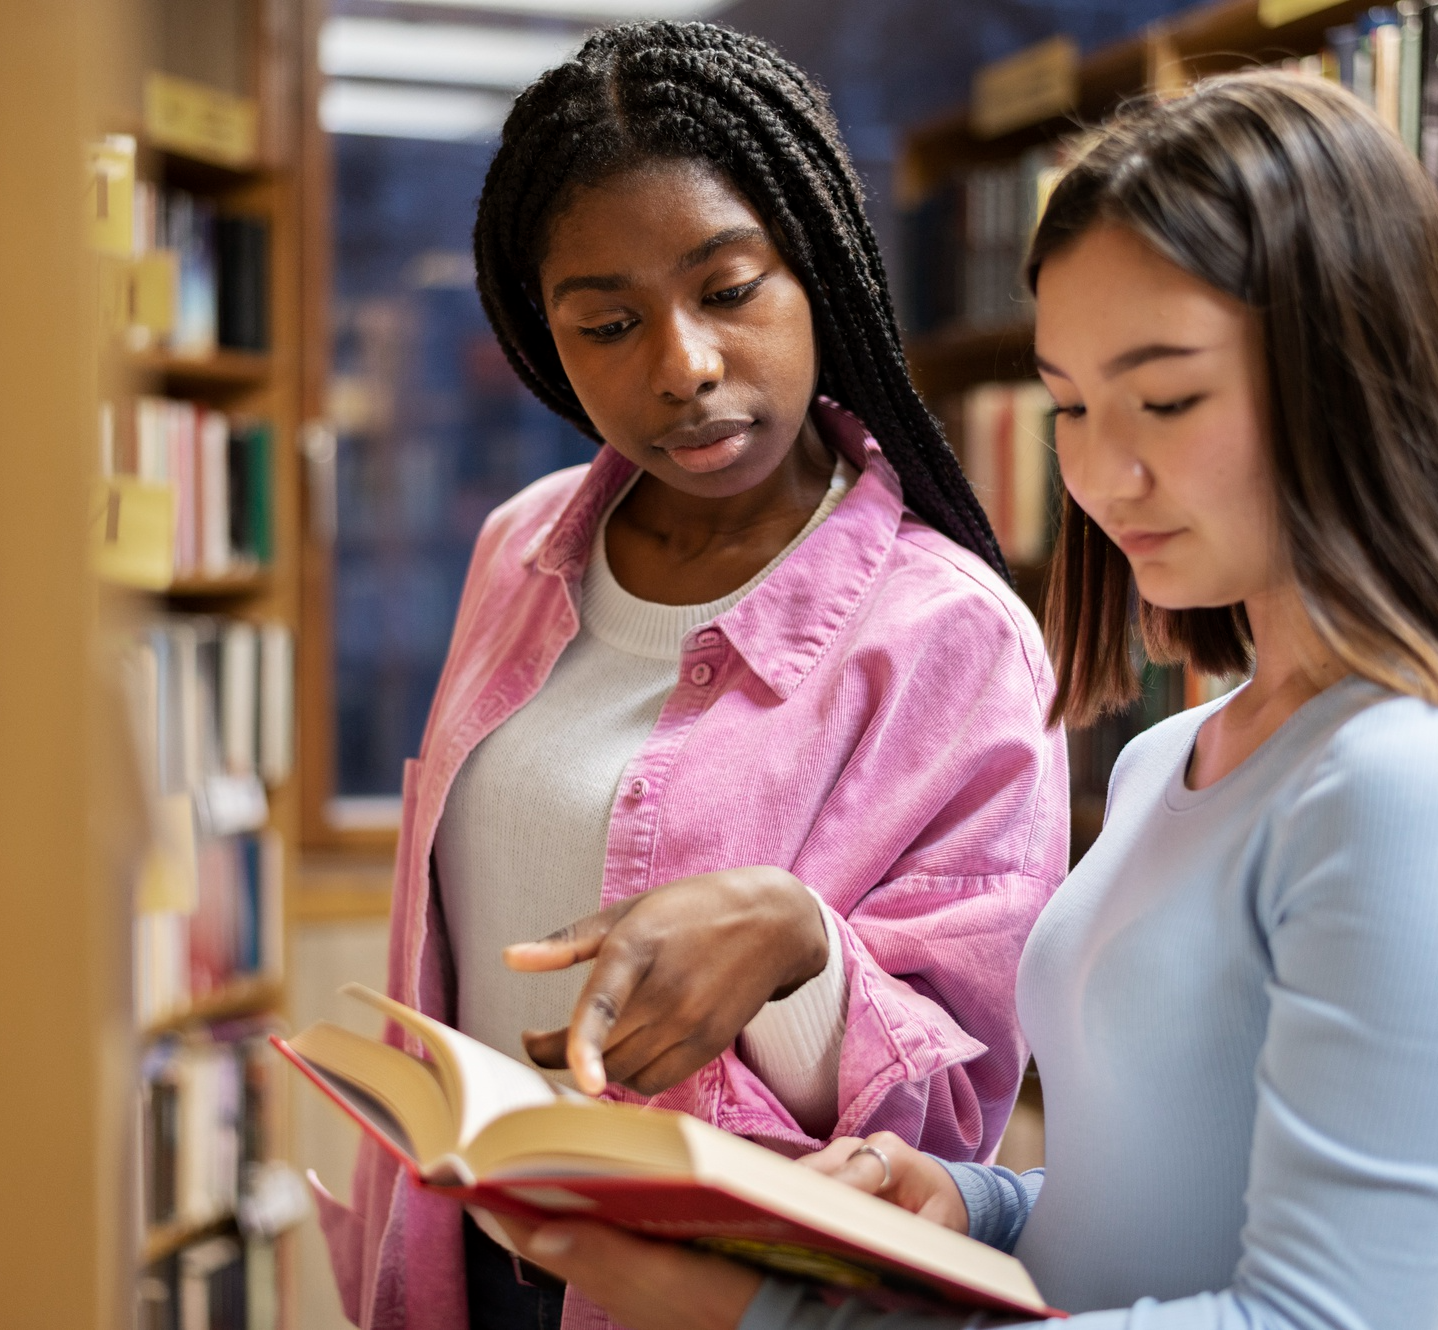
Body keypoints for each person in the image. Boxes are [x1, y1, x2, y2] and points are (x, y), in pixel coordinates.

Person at [493, 71, 1438, 1330]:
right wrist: (975, 1203)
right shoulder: (1173, 757)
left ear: (1351, 372)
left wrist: (777, 1314)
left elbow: (1325, 1319)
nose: (1101, 472)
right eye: (1068, 403)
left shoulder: (1418, 778)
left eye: (1165, 397)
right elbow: (1159, 1206)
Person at [310, 21, 1070, 1330]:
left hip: (725, 1301)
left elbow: (954, 1117)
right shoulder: (521, 551)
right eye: (608, 323)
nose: (684, 366)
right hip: (473, 1264)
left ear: (816, 272)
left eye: (728, 290)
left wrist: (795, 948)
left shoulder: (952, 635)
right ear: (548, 342)